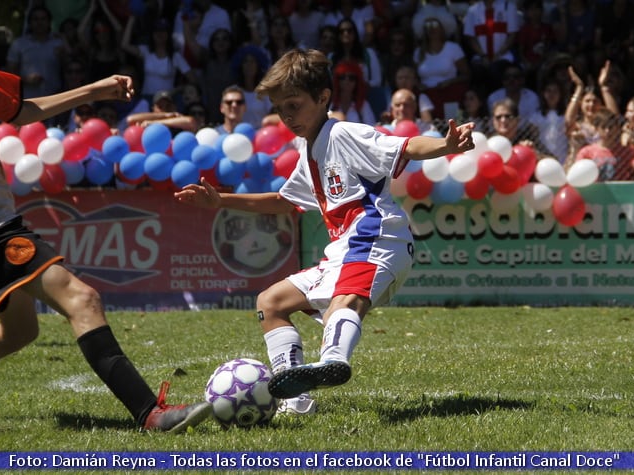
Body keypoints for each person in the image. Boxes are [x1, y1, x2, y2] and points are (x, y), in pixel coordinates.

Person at [0, 0, 211, 432]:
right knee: (83, 299)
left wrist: (93, 91)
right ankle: (150, 414)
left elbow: (22, 111)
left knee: (19, 331)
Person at [174, 48, 475, 414]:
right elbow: (285, 201)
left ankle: (333, 359)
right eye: (280, 107)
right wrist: (221, 202)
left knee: (345, 302)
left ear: (322, 98)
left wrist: (445, 145)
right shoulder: (309, 150)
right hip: (345, 248)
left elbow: (405, 146)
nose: (287, 116)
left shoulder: (344, 133)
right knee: (271, 303)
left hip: (378, 236)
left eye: (295, 105)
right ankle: (294, 397)